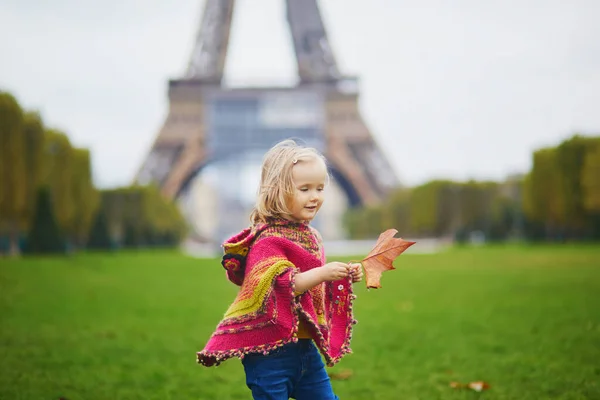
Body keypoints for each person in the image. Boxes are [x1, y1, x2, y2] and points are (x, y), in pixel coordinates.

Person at [197, 139, 363, 400]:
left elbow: (313, 287)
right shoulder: (267, 240)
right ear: (277, 191)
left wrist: (342, 275)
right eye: (304, 189)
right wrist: (324, 273)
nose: (315, 196)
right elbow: (282, 284)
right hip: (268, 353)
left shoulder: (311, 236)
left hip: (305, 349)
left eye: (320, 188)